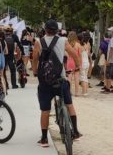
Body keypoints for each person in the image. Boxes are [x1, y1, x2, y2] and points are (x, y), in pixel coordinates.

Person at [32, 18, 83, 148]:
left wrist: (35, 72)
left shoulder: (38, 42)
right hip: (60, 80)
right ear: (57, 30)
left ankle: (44, 139)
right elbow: (75, 55)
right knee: (69, 104)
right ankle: (75, 131)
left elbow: (34, 59)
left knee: (45, 110)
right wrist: (77, 67)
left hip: (45, 83)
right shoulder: (63, 40)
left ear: (45, 30)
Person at [102, 27, 113, 94]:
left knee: (108, 74)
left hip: (112, 60)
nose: (108, 32)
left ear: (112, 32)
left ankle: (107, 89)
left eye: (109, 31)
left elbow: (111, 50)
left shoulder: (112, 40)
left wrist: (108, 60)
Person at [77, 32, 91, 96]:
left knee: (83, 78)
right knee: (85, 77)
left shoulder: (80, 46)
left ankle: (84, 92)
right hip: (87, 62)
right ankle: (86, 91)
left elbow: (79, 56)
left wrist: (79, 65)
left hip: (82, 63)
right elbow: (88, 54)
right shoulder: (87, 45)